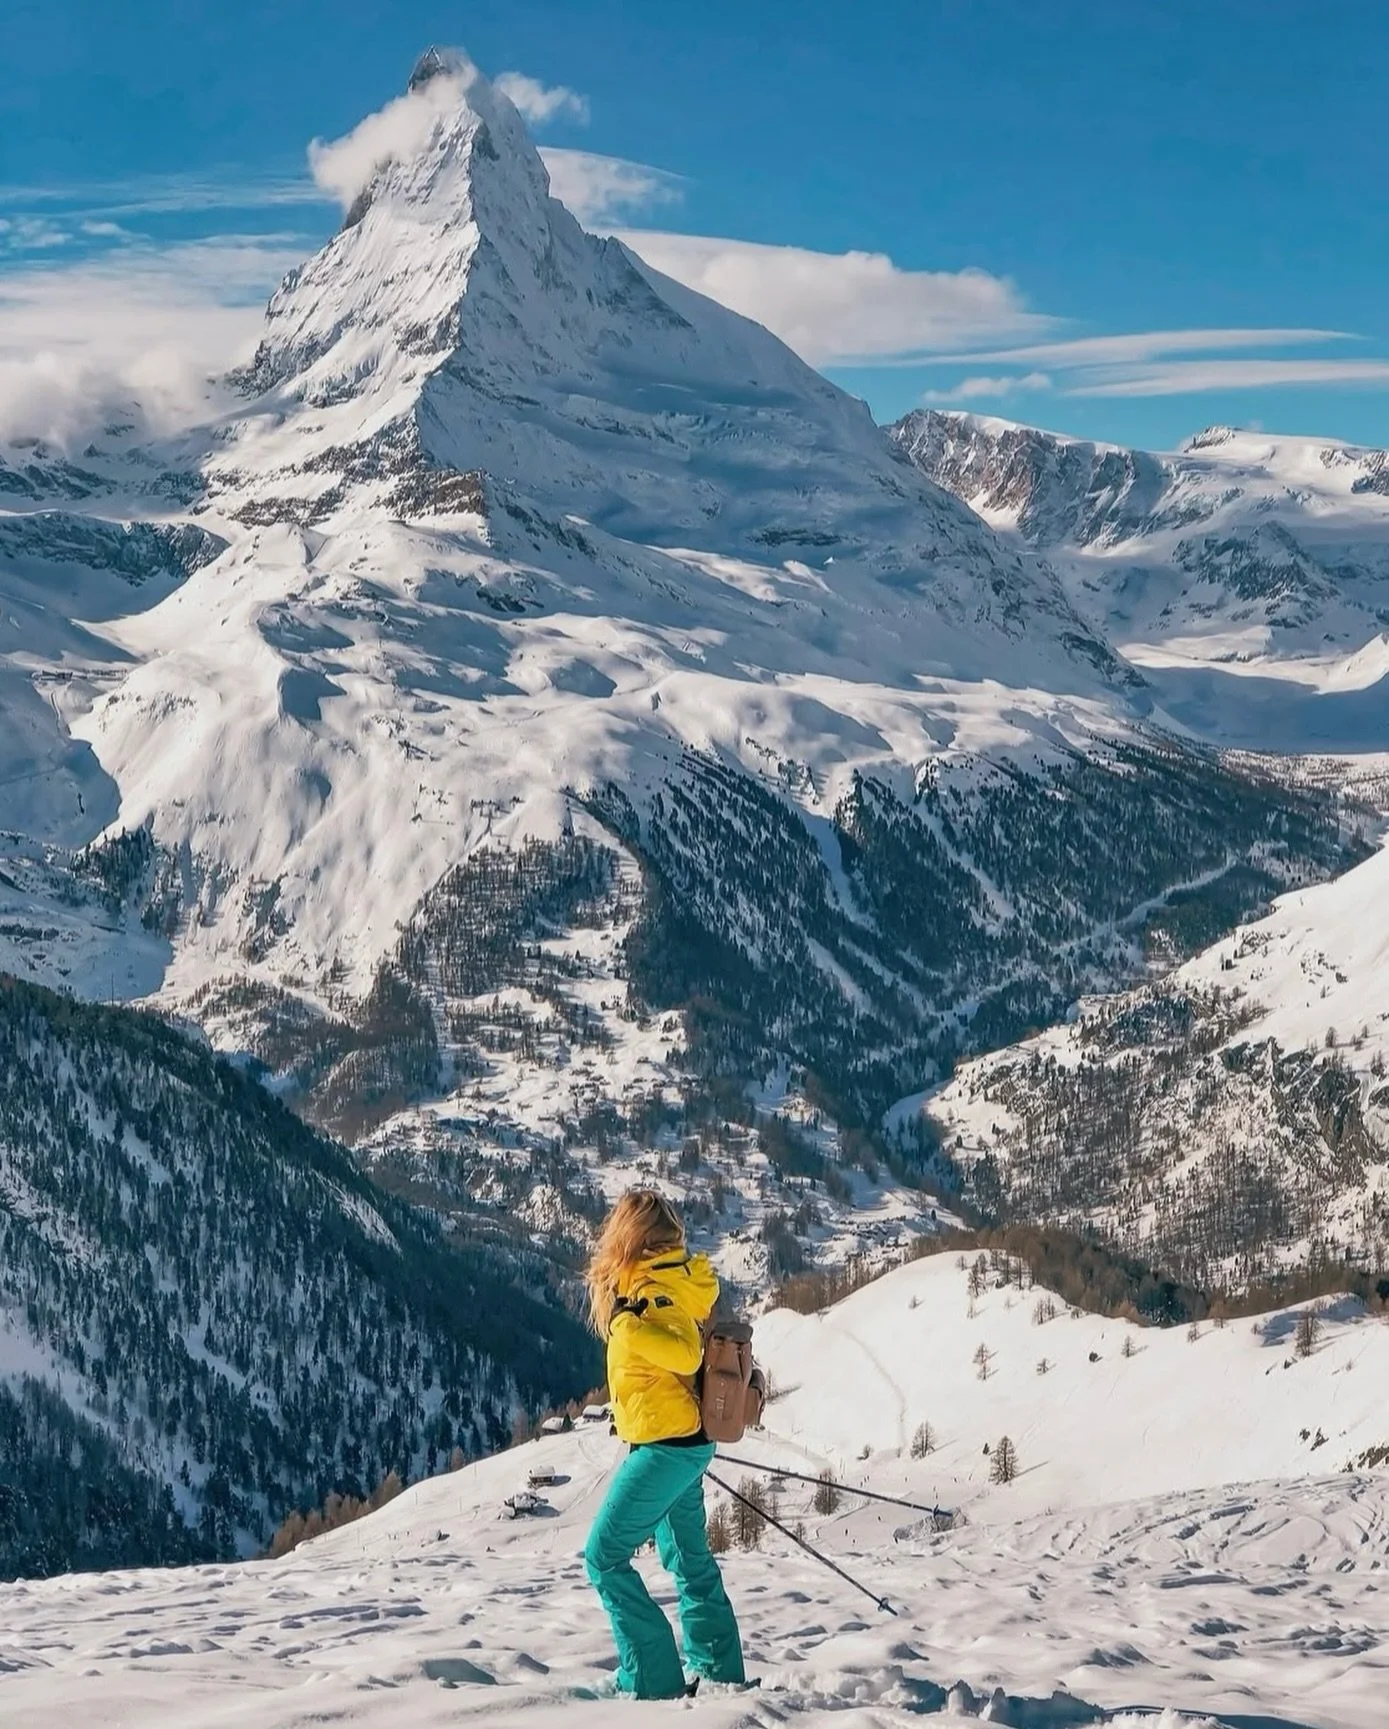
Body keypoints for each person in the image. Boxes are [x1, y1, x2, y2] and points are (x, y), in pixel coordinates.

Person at [582, 1188, 746, 1700]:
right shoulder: (666, 1280)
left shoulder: (654, 1291)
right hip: (680, 1441)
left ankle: (652, 1679)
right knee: (687, 1558)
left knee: (603, 1557)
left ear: (630, 1236)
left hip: (667, 1447)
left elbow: (686, 1354)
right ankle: (718, 1670)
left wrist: (627, 1327)